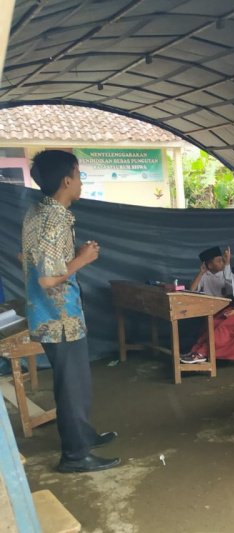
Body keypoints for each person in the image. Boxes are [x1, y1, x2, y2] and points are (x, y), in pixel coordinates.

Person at [21, 150, 119, 473]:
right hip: (60, 319)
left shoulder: (37, 211)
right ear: (67, 180)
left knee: (75, 383)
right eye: (78, 175)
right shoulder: (56, 218)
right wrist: (83, 259)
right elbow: (48, 277)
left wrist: (71, 257)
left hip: (48, 316)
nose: (81, 182)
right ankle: (75, 455)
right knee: (72, 386)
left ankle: (83, 435)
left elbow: (33, 260)